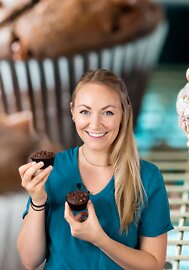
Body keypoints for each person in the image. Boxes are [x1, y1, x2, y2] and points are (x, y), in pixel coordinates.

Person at [17, 69, 173, 269]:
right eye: (85, 111)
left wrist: (100, 239)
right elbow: (29, 261)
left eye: (108, 112)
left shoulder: (148, 178)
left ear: (123, 113)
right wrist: (37, 200)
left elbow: (153, 264)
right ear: (72, 111)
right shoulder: (52, 170)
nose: (95, 124)